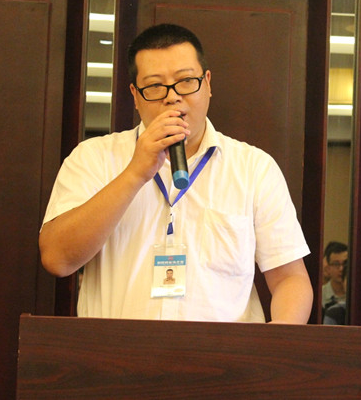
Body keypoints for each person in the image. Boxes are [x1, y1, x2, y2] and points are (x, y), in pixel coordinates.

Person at [39, 23, 313, 323]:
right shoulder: (93, 158)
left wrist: (274, 344)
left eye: (186, 81)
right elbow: (57, 259)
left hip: (224, 352)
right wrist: (134, 173)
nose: (172, 97)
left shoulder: (253, 168)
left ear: (207, 83)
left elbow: (290, 279)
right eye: (155, 86)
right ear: (135, 95)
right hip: (118, 350)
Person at [322, 241, 348, 313]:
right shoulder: (320, 295)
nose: (341, 269)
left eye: (345, 263)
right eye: (336, 264)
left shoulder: (355, 295)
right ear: (328, 268)